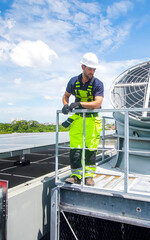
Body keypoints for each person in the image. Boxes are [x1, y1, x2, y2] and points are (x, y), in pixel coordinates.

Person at [61, 52, 103, 186]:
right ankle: (75, 175)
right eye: (90, 69)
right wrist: (66, 105)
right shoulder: (73, 81)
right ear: (83, 67)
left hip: (92, 119)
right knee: (75, 148)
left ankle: (89, 176)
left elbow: (97, 103)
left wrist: (80, 104)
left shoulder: (98, 83)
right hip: (78, 119)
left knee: (91, 149)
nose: (92, 72)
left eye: (94, 69)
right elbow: (65, 96)